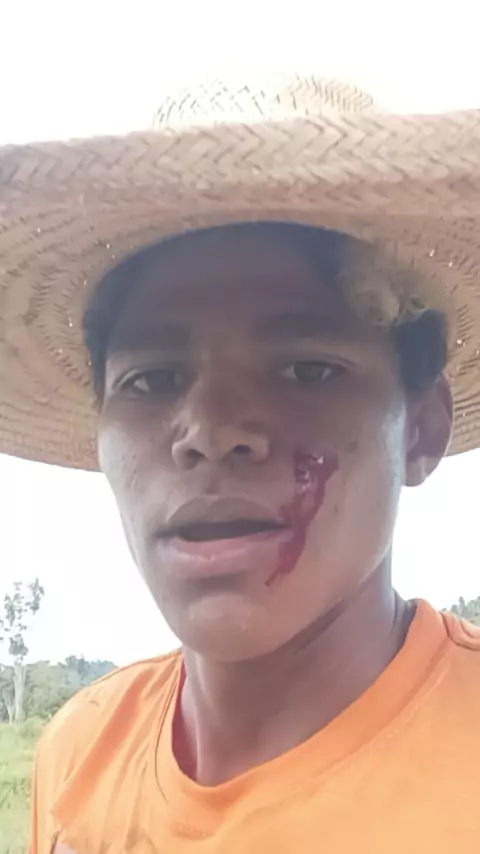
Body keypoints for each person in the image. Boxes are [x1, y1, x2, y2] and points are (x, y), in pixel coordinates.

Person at [1, 76, 480, 852]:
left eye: (307, 369)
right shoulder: (81, 753)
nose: (210, 431)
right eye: (151, 380)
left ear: (421, 431)